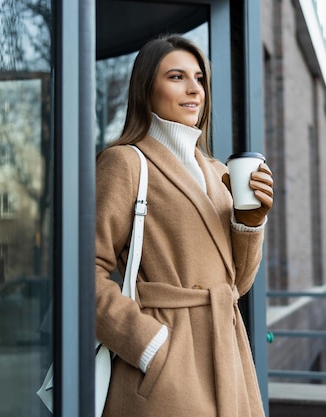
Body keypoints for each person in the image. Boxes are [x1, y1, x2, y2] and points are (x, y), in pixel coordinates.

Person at [95, 34, 273, 417]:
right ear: (146, 89)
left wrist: (250, 222)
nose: (194, 89)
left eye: (200, 79)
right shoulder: (126, 163)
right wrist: (149, 345)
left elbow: (236, 284)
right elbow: (82, 274)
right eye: (177, 77)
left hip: (228, 356)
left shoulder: (219, 172)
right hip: (165, 369)